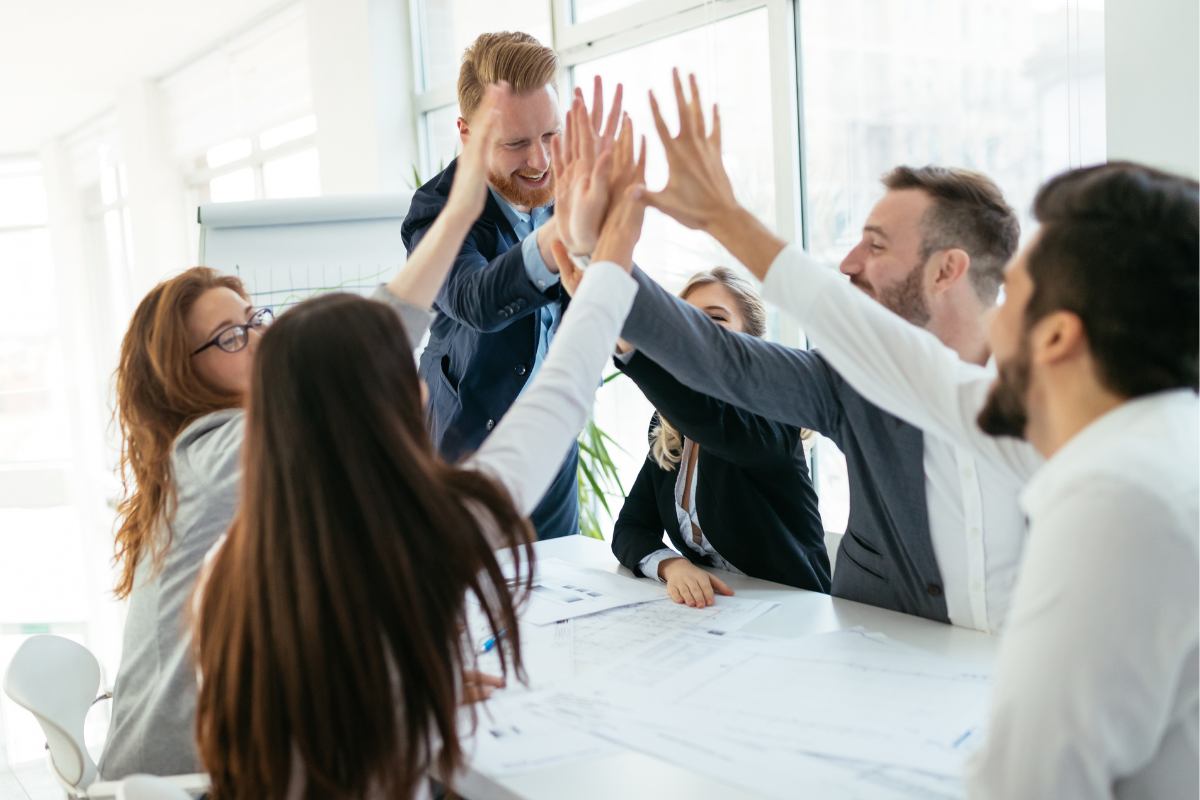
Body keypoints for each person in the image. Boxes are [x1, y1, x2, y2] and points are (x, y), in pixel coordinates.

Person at [616, 73, 1200, 799]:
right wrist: (704, 227)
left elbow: (1033, 778)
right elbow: (890, 354)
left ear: (1057, 336)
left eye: (1020, 290)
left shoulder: (1114, 496)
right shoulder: (1142, 434)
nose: (1000, 303)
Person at [192, 108, 649, 800]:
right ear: (388, 409)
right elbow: (559, 398)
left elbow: (314, 699)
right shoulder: (426, 536)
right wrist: (612, 252)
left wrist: (403, 679)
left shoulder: (228, 568)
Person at [99, 85, 518, 781]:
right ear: (180, 377)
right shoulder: (212, 450)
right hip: (181, 777)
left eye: (254, 317)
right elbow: (368, 349)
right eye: (232, 337)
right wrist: (461, 214)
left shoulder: (234, 457)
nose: (261, 338)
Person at [572, 70, 1028, 633]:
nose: (849, 262)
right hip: (879, 665)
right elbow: (723, 362)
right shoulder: (848, 382)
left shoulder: (1062, 390)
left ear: (947, 271)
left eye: (876, 244)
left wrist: (721, 216)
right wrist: (603, 257)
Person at [402, 31, 625, 540]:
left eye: (550, 135)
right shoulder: (435, 210)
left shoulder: (571, 187)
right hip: (466, 459)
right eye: (515, 143)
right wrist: (560, 235)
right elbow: (474, 299)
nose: (541, 161)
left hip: (554, 455)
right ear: (467, 133)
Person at [609, 266, 829, 604]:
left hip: (793, 611)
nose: (696, 332)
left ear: (752, 342)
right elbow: (630, 528)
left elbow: (714, 424)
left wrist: (633, 348)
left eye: (716, 319)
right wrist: (672, 565)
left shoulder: (772, 415)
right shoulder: (670, 428)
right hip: (718, 611)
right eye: (684, 319)